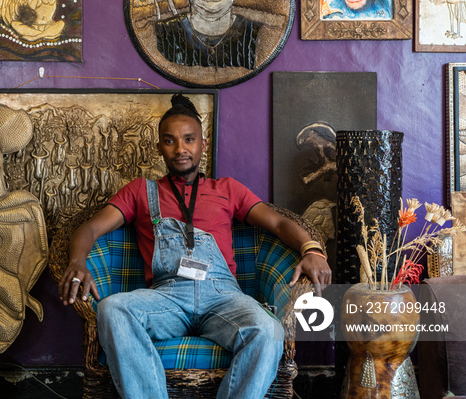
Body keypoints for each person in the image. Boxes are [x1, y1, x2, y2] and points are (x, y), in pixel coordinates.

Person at [59, 94, 331, 399]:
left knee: (268, 331)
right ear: (159, 147)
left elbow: (279, 223)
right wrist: (78, 260)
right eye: (170, 140)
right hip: (166, 298)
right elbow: (91, 227)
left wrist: (311, 249)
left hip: (224, 297)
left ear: (202, 144)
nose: (180, 149)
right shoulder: (141, 191)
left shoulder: (227, 189)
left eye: (189, 139)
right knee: (113, 309)